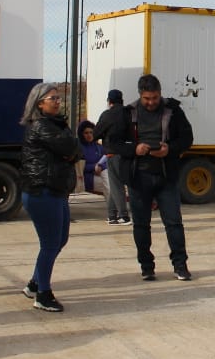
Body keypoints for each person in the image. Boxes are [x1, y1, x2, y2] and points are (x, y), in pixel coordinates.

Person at [101, 74, 196, 281]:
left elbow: (187, 138)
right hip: (139, 177)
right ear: (140, 96)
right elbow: (112, 143)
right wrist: (135, 148)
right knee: (141, 225)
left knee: (174, 223)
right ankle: (146, 266)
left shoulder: (173, 110)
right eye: (147, 99)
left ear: (160, 93)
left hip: (166, 177)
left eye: (154, 98)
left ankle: (180, 265)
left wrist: (169, 149)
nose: (151, 103)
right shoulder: (128, 114)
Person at [18, 82, 79, 312]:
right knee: (50, 244)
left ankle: (35, 283)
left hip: (56, 190)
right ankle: (43, 294)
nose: (57, 101)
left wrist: (71, 151)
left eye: (57, 97)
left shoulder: (55, 124)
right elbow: (69, 147)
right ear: (39, 103)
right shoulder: (42, 126)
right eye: (52, 98)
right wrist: (71, 150)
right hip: (42, 191)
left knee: (60, 239)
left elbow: (75, 149)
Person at [94, 89, 131, 225]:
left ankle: (123, 216)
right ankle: (111, 216)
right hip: (128, 152)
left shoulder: (107, 115)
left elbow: (95, 133)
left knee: (116, 185)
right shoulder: (128, 113)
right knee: (117, 185)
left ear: (109, 102)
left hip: (113, 153)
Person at [77, 120, 106, 196]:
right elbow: (79, 167)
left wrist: (100, 166)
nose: (89, 135)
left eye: (91, 132)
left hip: (101, 173)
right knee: (109, 185)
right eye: (86, 133)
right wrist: (94, 167)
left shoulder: (99, 147)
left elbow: (107, 161)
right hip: (88, 178)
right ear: (81, 134)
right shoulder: (79, 148)